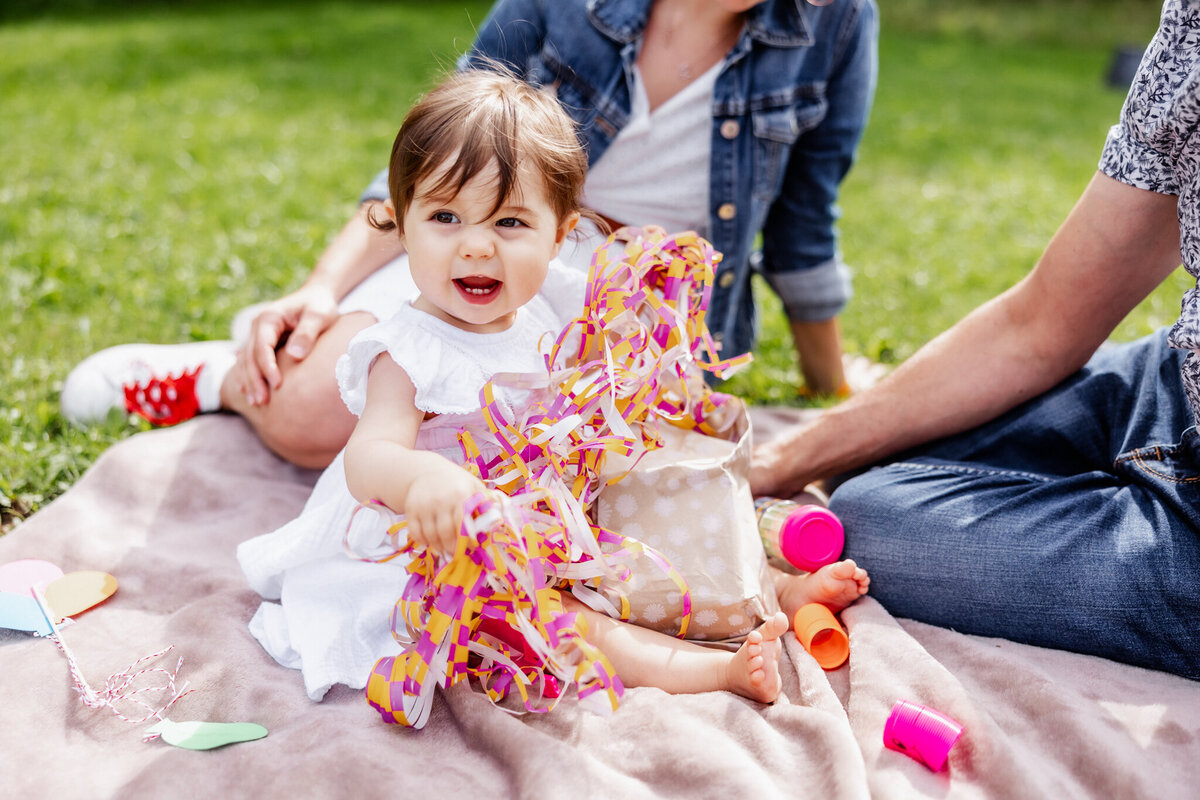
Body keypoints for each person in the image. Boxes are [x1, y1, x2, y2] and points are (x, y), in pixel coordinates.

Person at [236, 68, 871, 705]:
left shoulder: (546, 314)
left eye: (510, 223)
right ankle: (708, 671)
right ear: (401, 228)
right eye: (446, 217)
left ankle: (772, 591)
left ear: (561, 236)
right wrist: (421, 480)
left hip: (555, 517)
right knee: (564, 617)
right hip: (454, 558)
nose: (477, 246)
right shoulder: (406, 351)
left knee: (660, 511)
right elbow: (368, 458)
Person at [60, 0, 879, 470]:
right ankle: (222, 377)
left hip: (630, 312)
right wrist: (321, 289)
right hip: (487, 245)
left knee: (564, 470)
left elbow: (806, 221)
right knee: (319, 417)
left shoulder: (838, 21)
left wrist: (829, 384)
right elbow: (431, 170)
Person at [752, 0, 1200, 680]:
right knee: (872, 457)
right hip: (1170, 383)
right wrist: (779, 460)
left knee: (867, 521)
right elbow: (1044, 320)